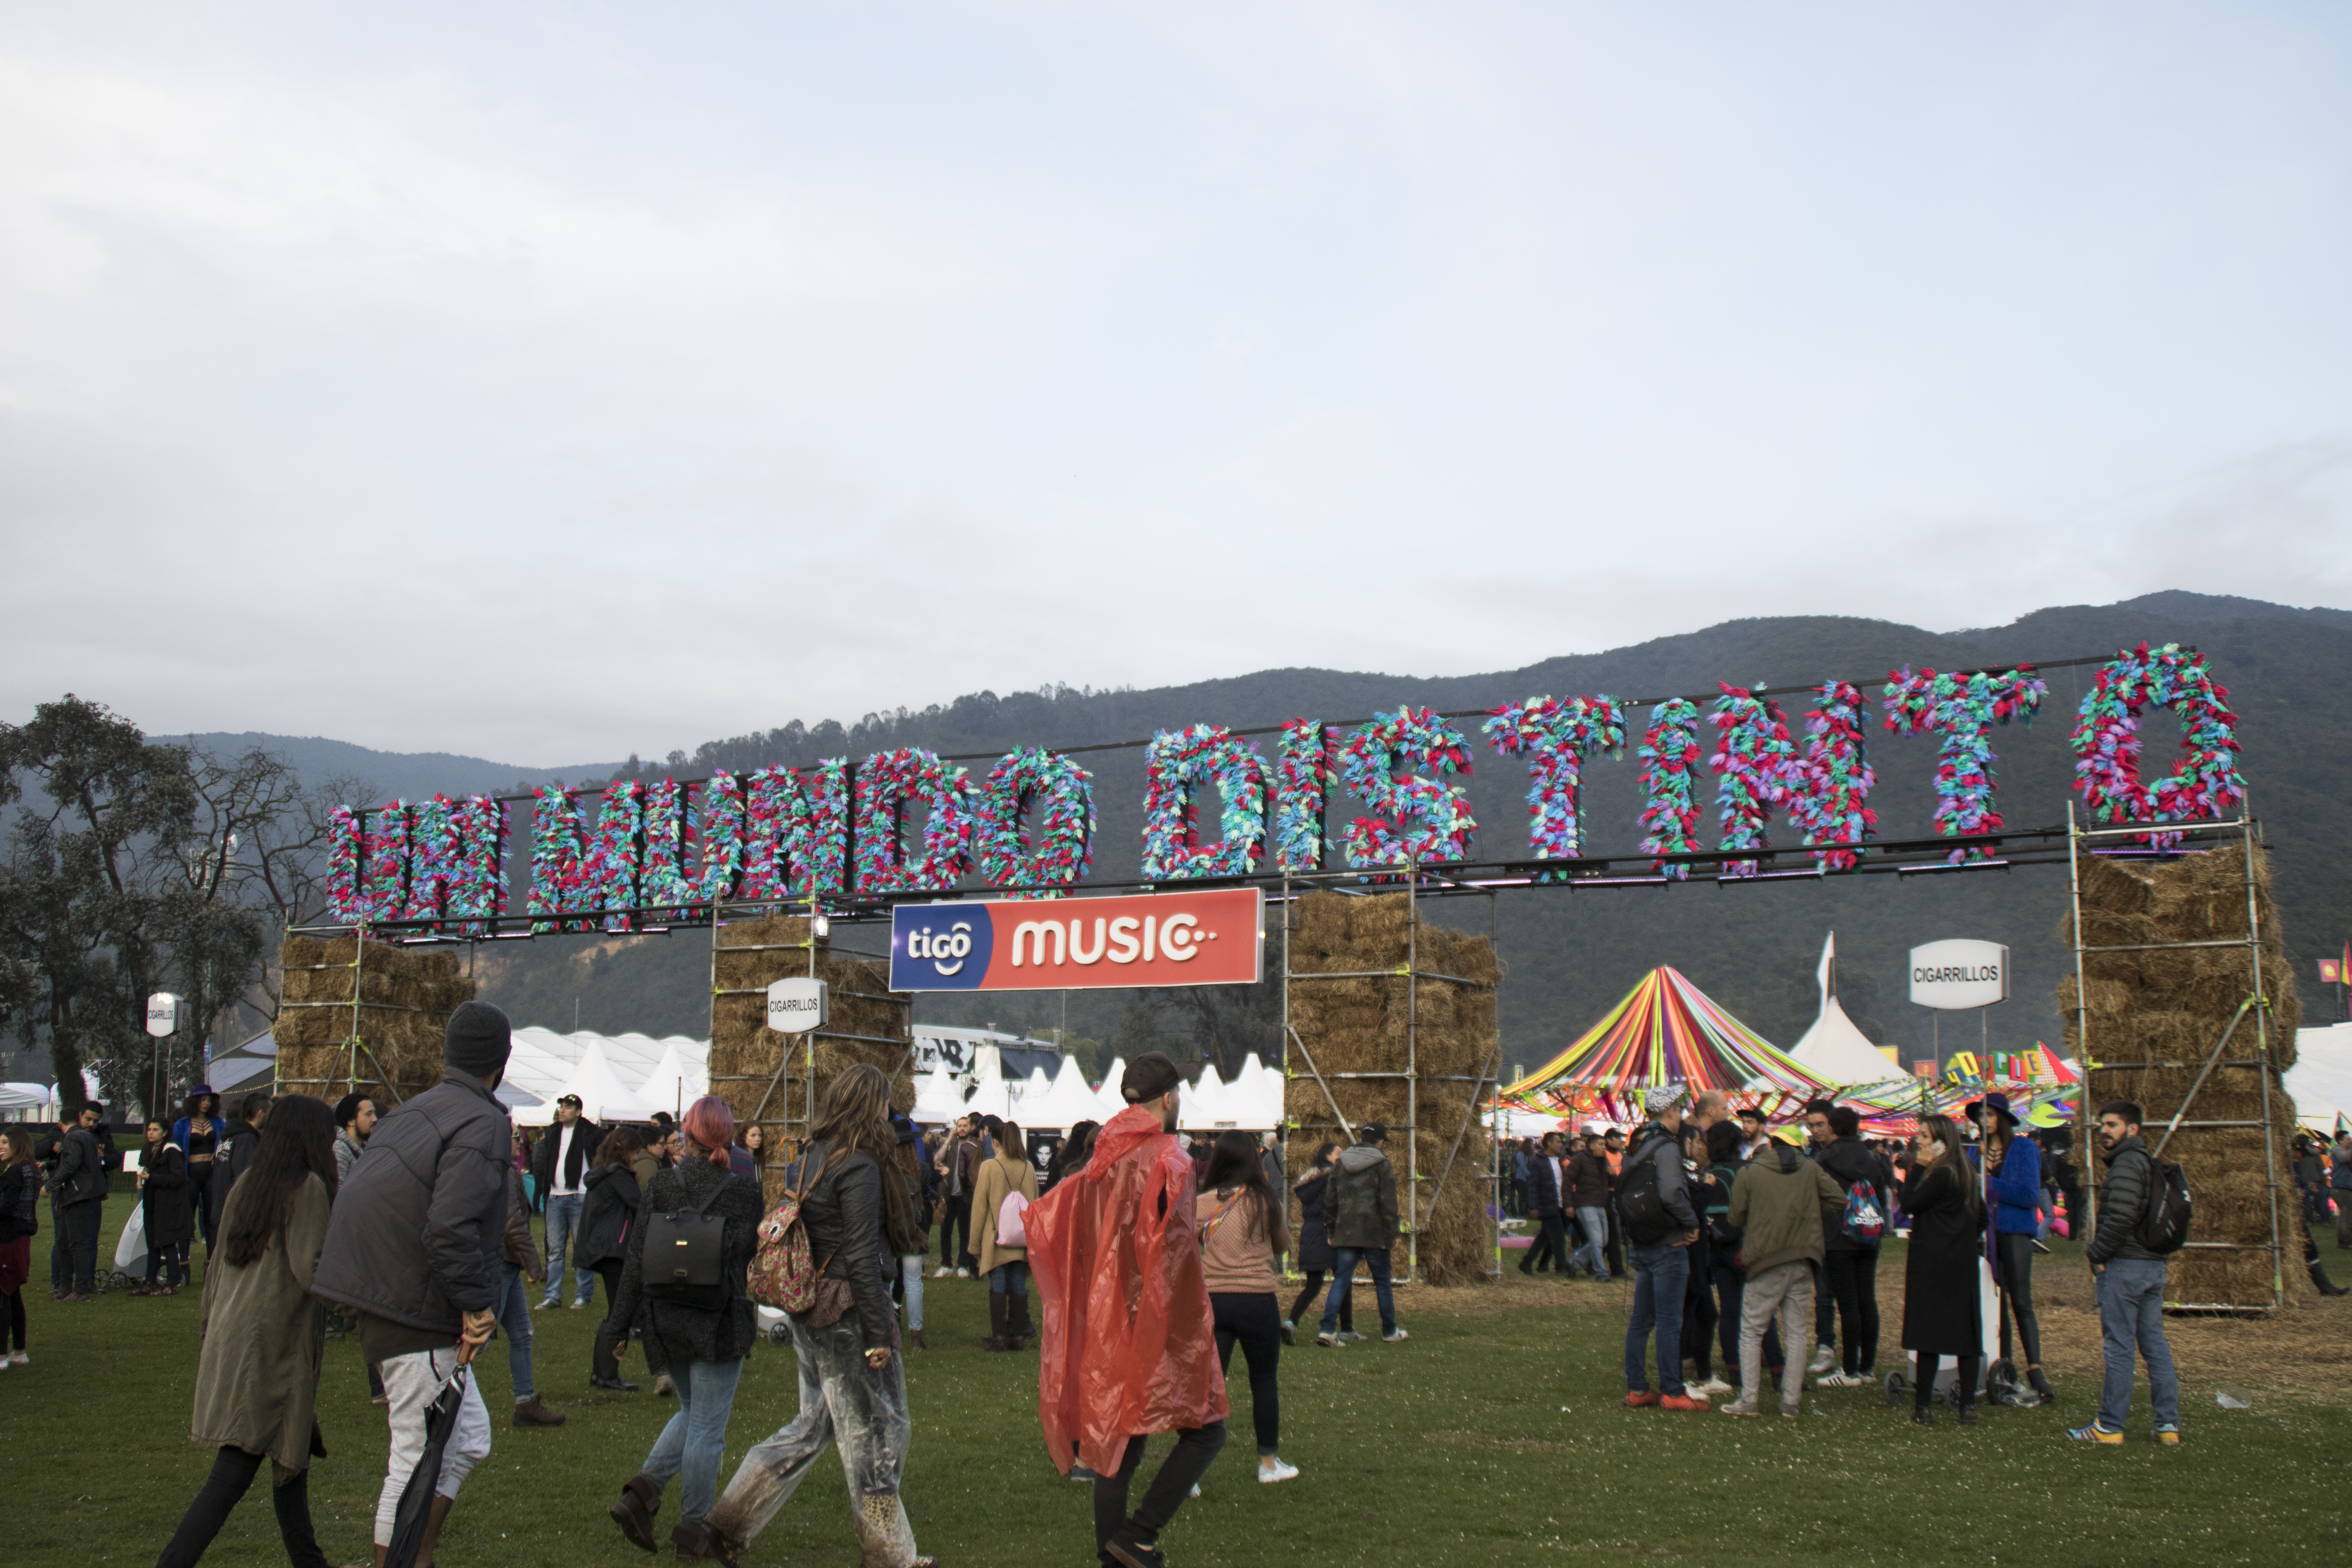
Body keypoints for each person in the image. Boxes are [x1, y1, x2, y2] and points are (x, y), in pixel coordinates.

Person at [697, 1065, 935, 1566]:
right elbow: (863, 1259)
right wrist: (879, 1335)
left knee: (811, 1428)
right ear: (872, 1107)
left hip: (808, 1305)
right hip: (849, 1313)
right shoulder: (861, 1166)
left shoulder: (807, 1157)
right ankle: (889, 1555)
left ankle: (725, 1524)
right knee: (881, 1432)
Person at [313, 1000, 515, 1568]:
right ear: (501, 1061)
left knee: (468, 1437)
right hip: (413, 1307)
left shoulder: (411, 1112)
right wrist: (477, 1305)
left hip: (385, 1291)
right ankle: (395, 1562)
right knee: (415, 1451)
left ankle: (414, 1557)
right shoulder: (482, 1120)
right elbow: (449, 1226)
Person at [1030, 1053, 1226, 1568]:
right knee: (1207, 1427)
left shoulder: (1101, 1161)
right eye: (1179, 1095)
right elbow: (1177, 1257)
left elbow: (1060, 1225)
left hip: (1106, 1321)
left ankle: (1115, 1556)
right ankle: (1136, 1537)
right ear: (1168, 1098)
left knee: (1120, 1443)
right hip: (1153, 1318)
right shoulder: (1170, 1158)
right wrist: (1185, 1331)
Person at [155, 1094, 338, 1568]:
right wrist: (367, 1302)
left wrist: (208, 1329)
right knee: (232, 1474)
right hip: (268, 1350)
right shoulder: (309, 1188)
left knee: (289, 1463)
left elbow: (216, 1266)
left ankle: (310, 1561)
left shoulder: (249, 1182)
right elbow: (311, 1268)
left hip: (235, 1336)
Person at [604, 1096, 763, 1559]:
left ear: (688, 1133)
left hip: (665, 1316)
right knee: (708, 1429)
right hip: (717, 1320)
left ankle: (641, 1494)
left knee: (694, 1415)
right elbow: (745, 1256)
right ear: (728, 1136)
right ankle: (695, 1529)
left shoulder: (662, 1186)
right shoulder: (743, 1190)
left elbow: (636, 1261)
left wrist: (617, 1328)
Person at [2071, 1101, 2182, 1445]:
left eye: (2113, 1125)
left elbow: (2119, 1218)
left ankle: (2110, 1427)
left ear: (2132, 1129)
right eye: (2103, 1124)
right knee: (2154, 1345)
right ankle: (2168, 1427)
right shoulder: (2148, 1164)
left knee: (2120, 1347)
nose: (2104, 1130)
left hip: (2127, 1267)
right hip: (2153, 1266)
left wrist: (2096, 1254)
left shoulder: (2126, 1165)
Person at [1719, 1122, 1842, 1417]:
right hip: (1803, 1259)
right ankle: (1791, 1402)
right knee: (1797, 1332)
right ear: (1800, 1147)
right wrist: (1810, 1214)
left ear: (1772, 1144)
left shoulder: (1751, 1172)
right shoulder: (1811, 1169)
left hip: (1765, 1259)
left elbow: (1735, 1218)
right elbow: (1838, 1198)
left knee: (1751, 1331)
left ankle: (1749, 1401)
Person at [1199, 1129, 1298, 1483]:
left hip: (1215, 1301)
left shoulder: (1204, 1202)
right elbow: (1281, 1247)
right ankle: (1268, 1464)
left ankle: (1190, 1473)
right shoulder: (1268, 1200)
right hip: (1258, 1300)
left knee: (1210, 1385)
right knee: (1264, 1381)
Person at [1619, 1086, 1704, 1410]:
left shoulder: (1637, 1146)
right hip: (1667, 1244)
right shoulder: (1666, 1147)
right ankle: (1672, 1391)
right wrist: (1691, 1223)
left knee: (1641, 1320)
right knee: (1670, 1320)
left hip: (1642, 1241)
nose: (1681, 1116)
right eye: (1679, 1110)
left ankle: (1638, 1389)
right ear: (1670, 1112)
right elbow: (1671, 1193)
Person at [1900, 1114, 1988, 1427]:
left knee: (1929, 1336)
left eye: (1925, 1136)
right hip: (1961, 1263)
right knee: (1966, 1335)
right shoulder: (1966, 1171)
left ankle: (1923, 1408)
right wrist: (1962, 1236)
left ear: (1940, 1141)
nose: (1919, 1142)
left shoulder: (1939, 1174)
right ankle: (1967, 1408)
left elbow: (1909, 1203)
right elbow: (1982, 1220)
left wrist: (1920, 1167)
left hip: (1933, 1261)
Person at [1971, 1093, 2054, 1403]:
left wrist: (1990, 1184)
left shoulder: (2023, 1148)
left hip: (2016, 1231)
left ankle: (2036, 1371)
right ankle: (2003, 1368)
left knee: (2021, 1301)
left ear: (2003, 1118)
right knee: (1997, 1304)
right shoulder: (1975, 1153)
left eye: (1990, 1115)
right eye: (1980, 1116)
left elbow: (2031, 1195)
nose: (1984, 1121)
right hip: (1987, 1234)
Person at [1814, 1104, 1889, 1389]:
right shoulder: (1870, 1158)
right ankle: (1867, 1367)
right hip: (1868, 1233)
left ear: (1832, 1127)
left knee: (1847, 1304)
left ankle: (1849, 1370)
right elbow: (1880, 1194)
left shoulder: (1824, 1159)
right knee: (1867, 1299)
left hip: (1837, 1236)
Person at [1318, 1122, 1405, 1346]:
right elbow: (1389, 1202)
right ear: (1381, 1142)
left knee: (1341, 1281)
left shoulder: (1341, 1163)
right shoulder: (1383, 1164)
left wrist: (1330, 1229)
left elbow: (1331, 1199)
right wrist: (1394, 1232)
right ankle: (1389, 1331)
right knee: (1383, 1283)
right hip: (1375, 1234)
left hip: (1346, 1232)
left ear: (1361, 1138)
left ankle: (1327, 1330)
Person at [496, 1152, 565, 1428]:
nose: (515, 1141)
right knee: (478, 1340)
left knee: (522, 1334)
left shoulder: (502, 1169)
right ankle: (444, 1401)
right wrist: (536, 1267)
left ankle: (525, 1403)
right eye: (511, 1135)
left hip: (506, 1264)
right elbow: (512, 1224)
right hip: (500, 1262)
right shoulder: (501, 1172)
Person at [580, 1128, 648, 1391]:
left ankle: (602, 1373)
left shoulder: (603, 1172)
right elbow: (640, 1205)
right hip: (615, 1249)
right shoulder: (618, 1175)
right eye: (635, 1153)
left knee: (616, 1311)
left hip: (604, 1248)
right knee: (620, 1312)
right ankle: (607, 1373)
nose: (636, 1158)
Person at [971, 1119, 1041, 1351]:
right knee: (1019, 1283)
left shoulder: (989, 1167)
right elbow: (1034, 1203)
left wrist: (974, 1245)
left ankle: (999, 1337)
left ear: (996, 1143)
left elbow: (980, 1208)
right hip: (1021, 1237)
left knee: (998, 1283)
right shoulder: (1029, 1168)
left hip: (996, 1237)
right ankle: (1018, 1336)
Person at [531, 1092, 602, 1310]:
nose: (562, 1110)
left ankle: (583, 1296)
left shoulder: (592, 1133)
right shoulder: (552, 1132)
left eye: (568, 1107)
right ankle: (553, 1296)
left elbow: (601, 1161)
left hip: (580, 1196)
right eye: (561, 1106)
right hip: (555, 1197)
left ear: (579, 1112)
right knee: (555, 1250)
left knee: (581, 1249)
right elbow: (544, 1161)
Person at [1283, 1143, 1353, 1344]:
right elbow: (1334, 1206)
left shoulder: (1309, 1181)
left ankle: (1291, 1322)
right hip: (1329, 1233)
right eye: (1338, 1154)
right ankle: (1346, 1328)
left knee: (1313, 1285)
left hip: (1310, 1234)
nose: (1342, 1157)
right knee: (1343, 1280)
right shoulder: (1332, 1178)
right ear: (1328, 1157)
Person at [1679, 1123, 1730, 1399]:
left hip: (1696, 1253)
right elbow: (1687, 1204)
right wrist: (1706, 1189)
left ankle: (1702, 1371)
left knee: (1704, 1313)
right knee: (1689, 1314)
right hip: (1689, 1253)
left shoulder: (1688, 1169)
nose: (1699, 1146)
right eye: (1696, 1141)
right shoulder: (1680, 1169)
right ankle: (1683, 1376)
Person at [136, 1117, 195, 1295]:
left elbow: (178, 1178)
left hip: (169, 1204)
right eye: (149, 1129)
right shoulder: (148, 1149)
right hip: (151, 1201)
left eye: (155, 1130)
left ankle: (172, 1283)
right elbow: (142, 1168)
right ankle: (150, 1282)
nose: (151, 1133)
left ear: (165, 1132)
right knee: (152, 1243)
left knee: (168, 1243)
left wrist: (152, 1178)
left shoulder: (172, 1151)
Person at [889, 1118, 933, 1349]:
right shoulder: (923, 1169)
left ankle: (888, 1332)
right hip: (915, 1230)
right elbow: (925, 1199)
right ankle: (916, 1337)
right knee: (914, 1283)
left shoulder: (885, 1169)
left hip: (891, 1230)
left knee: (887, 1281)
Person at [53, 1107, 104, 1300]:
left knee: (75, 1245)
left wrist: (50, 1185)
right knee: (65, 1243)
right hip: (80, 1196)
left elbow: (71, 1165)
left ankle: (79, 1290)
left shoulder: (72, 1138)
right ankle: (67, 1287)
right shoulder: (86, 1137)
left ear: (60, 1124)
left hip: (76, 1197)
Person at [0, 1128, 38, 1368]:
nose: (1, 1147)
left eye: (5, 1142)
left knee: (4, 1294)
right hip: (20, 1237)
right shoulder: (29, 1169)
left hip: (8, 1238)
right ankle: (19, 1352)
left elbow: (7, 1208)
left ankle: (2, 1356)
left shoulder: (15, 1171)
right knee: (13, 1294)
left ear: (17, 1144)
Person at [214, 1093, 272, 1235]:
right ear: (261, 1114)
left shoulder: (230, 1134)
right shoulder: (246, 1139)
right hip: (235, 1212)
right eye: (270, 1112)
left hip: (221, 1206)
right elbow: (244, 1177)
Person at [176, 1090, 224, 1255]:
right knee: (187, 1219)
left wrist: (218, 1157)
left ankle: (211, 1262)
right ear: (194, 1102)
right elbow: (177, 1151)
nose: (206, 1103)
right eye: (203, 1100)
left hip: (211, 1174)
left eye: (209, 1100)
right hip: (191, 1175)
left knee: (211, 1219)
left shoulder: (218, 1122)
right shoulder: (183, 1124)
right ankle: (183, 1261)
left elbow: (224, 1144)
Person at [1519, 1131, 1568, 1276]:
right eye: (1558, 1142)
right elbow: (1533, 1186)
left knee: (1545, 1236)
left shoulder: (1560, 1160)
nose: (1561, 1145)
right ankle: (1561, 1266)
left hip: (1559, 1203)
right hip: (1547, 1204)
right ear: (1550, 1144)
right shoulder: (1538, 1161)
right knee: (1559, 1236)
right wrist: (1534, 1207)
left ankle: (1527, 1262)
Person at [1566, 1131, 1612, 1281]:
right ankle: (1601, 1273)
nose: (1604, 1148)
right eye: (1601, 1144)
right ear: (1591, 1146)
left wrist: (1612, 1175)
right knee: (1597, 1241)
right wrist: (1569, 1205)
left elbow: (1609, 1184)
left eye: (1605, 1145)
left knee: (1602, 1241)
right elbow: (1567, 1183)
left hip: (1600, 1204)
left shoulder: (1604, 1161)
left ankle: (1574, 1263)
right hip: (1585, 1204)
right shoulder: (1580, 1159)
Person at [331, 1094, 377, 1188]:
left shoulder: (367, 1148)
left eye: (374, 1113)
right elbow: (338, 1194)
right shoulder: (340, 1150)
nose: (375, 1119)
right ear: (351, 1121)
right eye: (369, 1114)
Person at [2332, 1132, 2352, 1250]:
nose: (2350, 1142)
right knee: (2347, 1216)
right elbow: (2345, 1158)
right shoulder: (2337, 1150)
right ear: (2341, 1141)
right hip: (2341, 1187)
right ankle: (2346, 1242)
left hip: (2345, 1187)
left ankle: (2344, 1241)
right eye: (2348, 1139)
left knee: (2345, 1215)